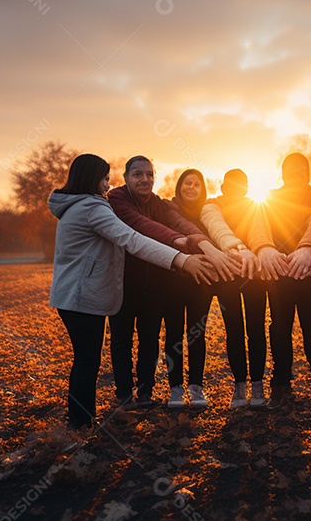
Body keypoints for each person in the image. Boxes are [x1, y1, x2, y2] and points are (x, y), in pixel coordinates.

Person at [48, 154, 215, 429]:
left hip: (71, 296)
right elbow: (133, 239)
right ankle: (81, 424)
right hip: (81, 298)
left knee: (84, 361)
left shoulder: (75, 206)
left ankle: (81, 420)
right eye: (104, 176)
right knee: (88, 362)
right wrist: (181, 258)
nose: (108, 181)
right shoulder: (93, 207)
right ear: (92, 177)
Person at [108, 156, 230, 409]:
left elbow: (179, 222)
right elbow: (142, 225)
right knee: (122, 339)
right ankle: (123, 395)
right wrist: (179, 241)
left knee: (149, 338)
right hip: (123, 283)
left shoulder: (159, 204)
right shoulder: (117, 199)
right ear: (126, 178)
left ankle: (145, 393)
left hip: (155, 285)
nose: (144, 180)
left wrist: (199, 240)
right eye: (138, 174)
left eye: (149, 175)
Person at [201, 169, 285, 408]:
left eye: (243, 185)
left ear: (247, 188)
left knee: (256, 330)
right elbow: (215, 227)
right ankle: (239, 386)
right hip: (227, 276)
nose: (238, 189)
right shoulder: (213, 205)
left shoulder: (255, 207)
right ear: (224, 186)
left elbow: (260, 231)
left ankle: (257, 384)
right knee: (234, 330)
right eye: (233, 185)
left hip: (254, 276)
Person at [167, 169, 246, 409]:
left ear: (203, 189)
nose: (191, 188)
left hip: (217, 276)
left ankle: (209, 386)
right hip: (178, 278)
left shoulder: (209, 210)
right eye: (187, 183)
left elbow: (221, 231)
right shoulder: (169, 209)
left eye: (197, 184)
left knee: (212, 330)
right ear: (179, 186)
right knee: (175, 333)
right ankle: (175, 389)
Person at [262, 153, 311, 407]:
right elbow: (259, 224)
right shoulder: (271, 198)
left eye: (300, 170)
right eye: (290, 170)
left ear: (308, 173)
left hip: (309, 276)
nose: (295, 174)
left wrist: (307, 247)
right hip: (279, 276)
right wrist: (264, 247)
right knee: (279, 330)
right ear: (283, 173)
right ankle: (280, 383)